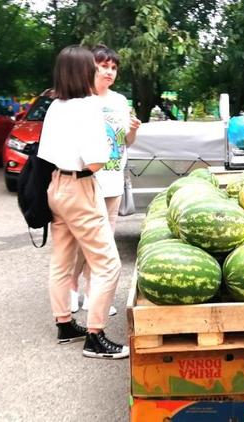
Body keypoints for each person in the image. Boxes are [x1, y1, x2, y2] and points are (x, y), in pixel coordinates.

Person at [37, 45, 128, 359]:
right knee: (108, 264)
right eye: (93, 66)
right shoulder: (88, 106)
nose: (98, 71)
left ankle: (64, 324)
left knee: (62, 260)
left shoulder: (55, 106)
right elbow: (96, 161)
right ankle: (95, 336)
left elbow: (44, 153)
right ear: (81, 71)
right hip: (80, 187)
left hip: (56, 186)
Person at [70, 44, 141, 315]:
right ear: (92, 67)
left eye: (113, 68)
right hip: (86, 181)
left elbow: (126, 142)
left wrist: (133, 131)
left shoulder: (120, 102)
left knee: (104, 242)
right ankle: (71, 289)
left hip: (113, 180)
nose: (109, 72)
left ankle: (93, 294)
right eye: (104, 66)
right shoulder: (79, 99)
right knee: (80, 240)